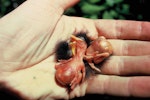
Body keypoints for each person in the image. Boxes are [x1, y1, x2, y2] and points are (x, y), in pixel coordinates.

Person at [0, 0, 150, 99]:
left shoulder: (79, 57)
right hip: (71, 67)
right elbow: (81, 59)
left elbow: (75, 55)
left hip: (70, 66)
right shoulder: (82, 62)